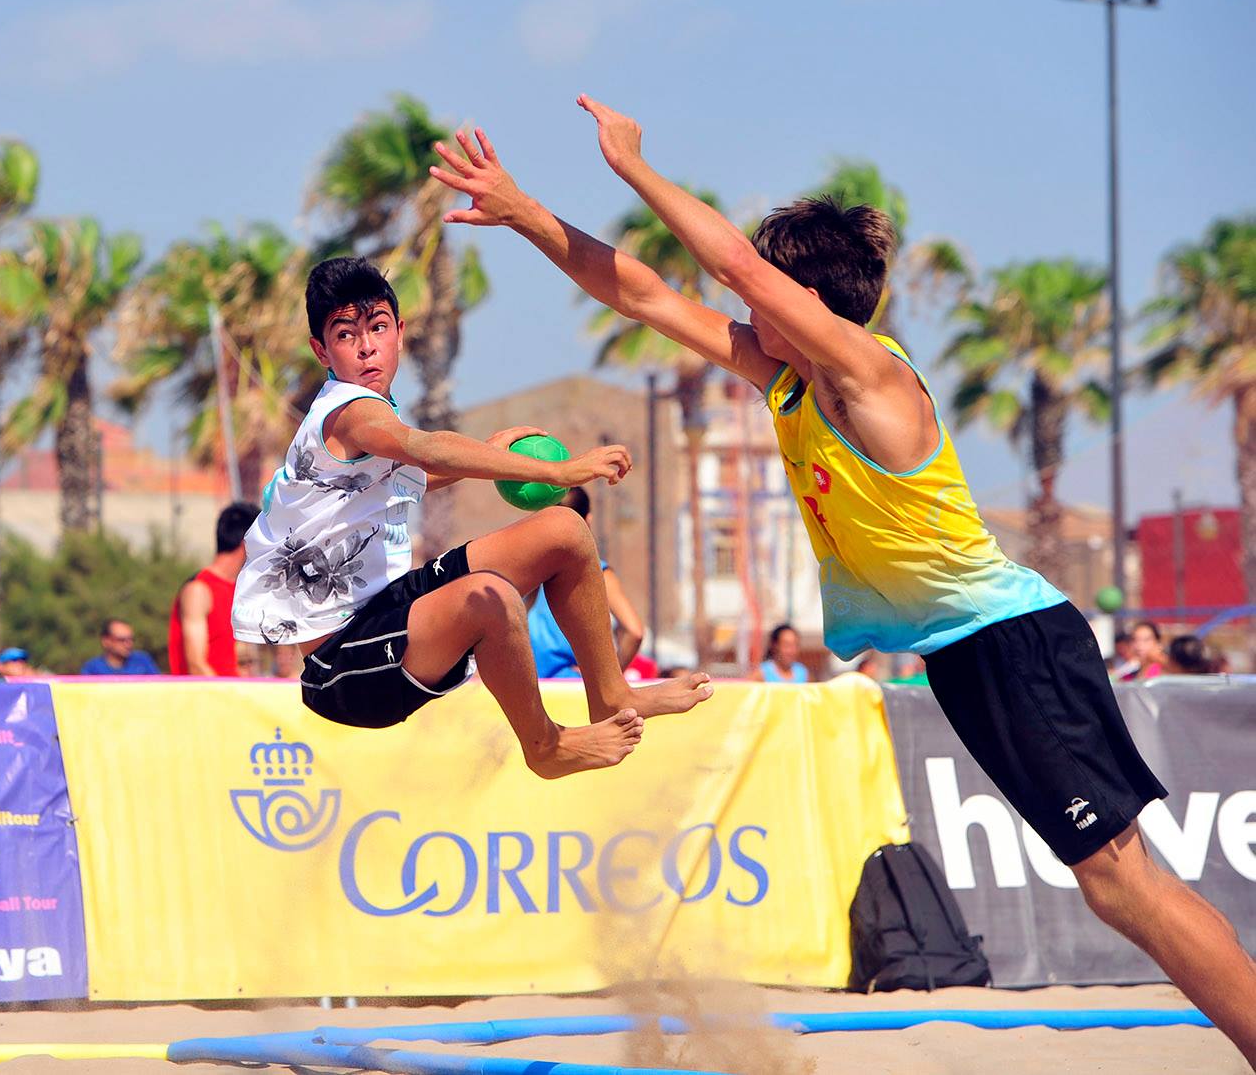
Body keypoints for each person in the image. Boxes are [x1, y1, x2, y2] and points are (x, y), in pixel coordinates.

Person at [429, 104, 1256, 1059]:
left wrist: (633, 169)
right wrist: (524, 208)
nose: (743, 315)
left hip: (1013, 642)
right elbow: (646, 296)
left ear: (800, 302)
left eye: (764, 299)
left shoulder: (867, 376)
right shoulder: (786, 380)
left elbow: (734, 267)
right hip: (964, 655)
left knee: (1120, 883)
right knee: (1118, 884)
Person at [232, 256, 711, 780]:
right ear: (322, 351)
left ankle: (611, 692)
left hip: (386, 612)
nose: (367, 345)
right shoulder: (351, 411)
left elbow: (415, 476)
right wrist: (559, 472)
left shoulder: (367, 421)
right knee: (492, 595)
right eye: (346, 335)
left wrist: (484, 455)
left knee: (566, 532)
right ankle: (546, 746)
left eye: (377, 327)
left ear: (399, 332)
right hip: (343, 670)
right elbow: (425, 448)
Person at [525, 486, 645, 678]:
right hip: (575, 689)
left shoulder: (532, 569)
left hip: (529, 687)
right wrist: (608, 679)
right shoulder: (598, 572)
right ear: (588, 520)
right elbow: (634, 631)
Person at [169, 501, 260, 676]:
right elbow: (196, 665)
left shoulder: (238, 590)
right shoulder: (198, 590)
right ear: (246, 543)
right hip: (206, 699)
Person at [80, 619, 161, 675]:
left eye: (131, 639)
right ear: (106, 641)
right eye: (121, 640)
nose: (128, 644)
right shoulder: (93, 668)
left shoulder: (142, 660)